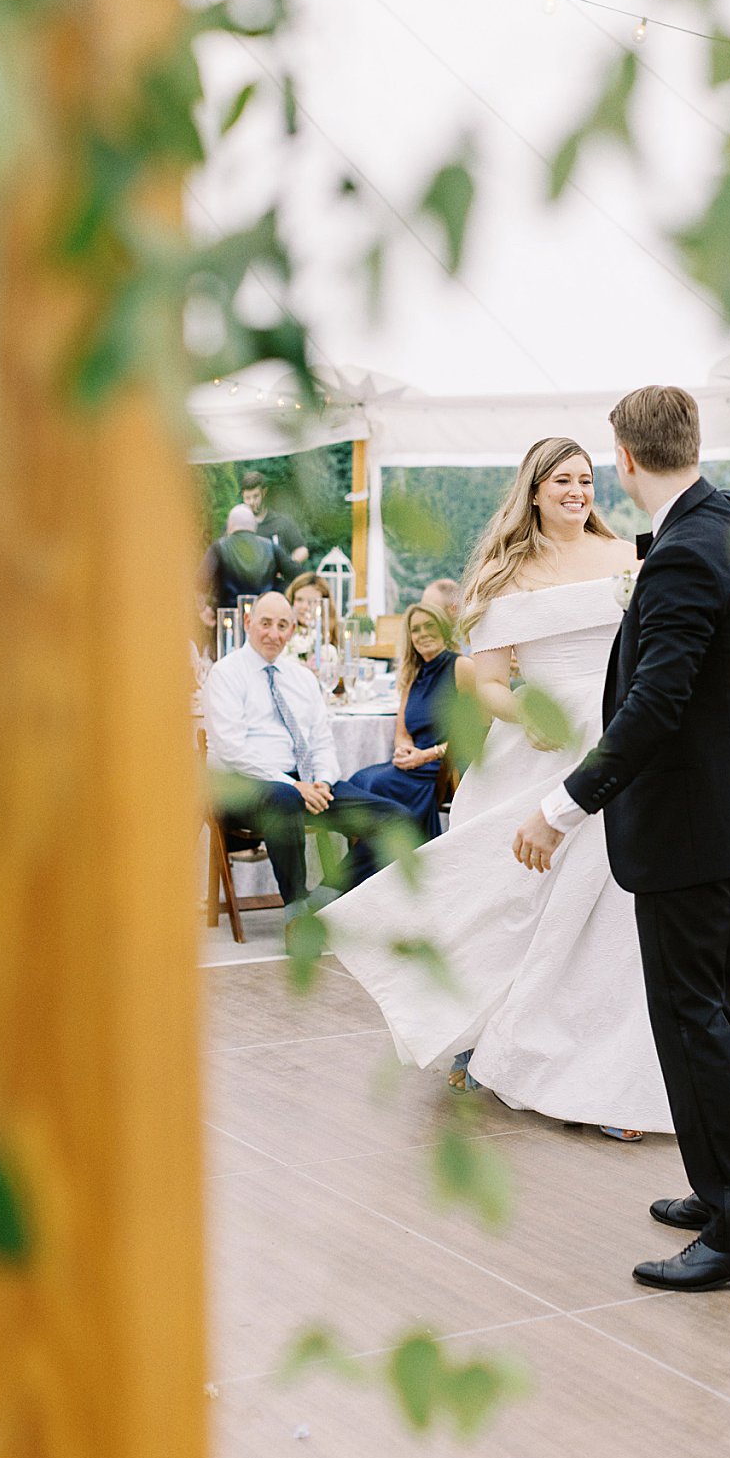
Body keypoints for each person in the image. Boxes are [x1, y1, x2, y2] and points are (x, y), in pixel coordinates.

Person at [511, 387, 730, 1292]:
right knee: (716, 1005)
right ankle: (721, 1192)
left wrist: (562, 807)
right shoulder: (728, 519)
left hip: (689, 821)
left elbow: (658, 701)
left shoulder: (687, 549)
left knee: (694, 1019)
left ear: (624, 460)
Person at [325, 437, 664, 1144]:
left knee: (603, 916)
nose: (577, 490)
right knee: (513, 905)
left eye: (585, 478)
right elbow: (484, 681)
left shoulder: (629, 559)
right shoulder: (502, 574)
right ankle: (486, 1035)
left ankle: (600, 1077)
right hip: (532, 747)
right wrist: (527, 719)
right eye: (561, 480)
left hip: (611, 743)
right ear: (534, 491)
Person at [203, 592, 408, 901]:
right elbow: (231, 749)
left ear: (293, 630)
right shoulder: (225, 674)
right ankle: (295, 908)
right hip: (242, 789)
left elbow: (322, 741)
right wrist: (293, 785)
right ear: (248, 622)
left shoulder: (302, 679)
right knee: (283, 796)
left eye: (283, 625)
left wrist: (321, 781)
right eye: (266, 623)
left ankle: (323, 901)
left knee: (397, 819)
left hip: (303, 785)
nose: (274, 634)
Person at [339, 604, 468, 839]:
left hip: (443, 766)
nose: (423, 634)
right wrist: (403, 750)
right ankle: (371, 863)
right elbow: (402, 732)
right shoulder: (413, 676)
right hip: (415, 763)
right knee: (356, 783)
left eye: (430, 626)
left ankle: (390, 860)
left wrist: (428, 755)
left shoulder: (461, 667)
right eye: (416, 629)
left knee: (377, 785)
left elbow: (479, 730)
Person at [198, 504, 294, 615]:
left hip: (228, 619)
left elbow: (200, 582)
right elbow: (298, 576)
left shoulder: (219, 547)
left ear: (230, 525)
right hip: (264, 618)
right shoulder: (271, 547)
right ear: (255, 526)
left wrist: (203, 610)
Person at [241, 470, 310, 567]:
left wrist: (286, 566)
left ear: (264, 493)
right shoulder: (235, 526)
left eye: (255, 496)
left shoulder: (281, 522)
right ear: (242, 497)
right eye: (247, 498)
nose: (252, 502)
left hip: (277, 581)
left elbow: (302, 550)